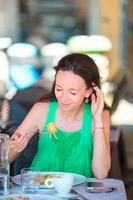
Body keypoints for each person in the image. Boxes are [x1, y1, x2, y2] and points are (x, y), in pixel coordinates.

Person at [9, 53, 111, 179]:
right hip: (40, 192)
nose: (63, 98)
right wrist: (14, 147)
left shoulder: (101, 114)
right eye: (59, 89)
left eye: (72, 92)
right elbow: (3, 159)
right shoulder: (42, 110)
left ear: (88, 91)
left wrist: (97, 120)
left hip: (80, 195)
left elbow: (101, 173)